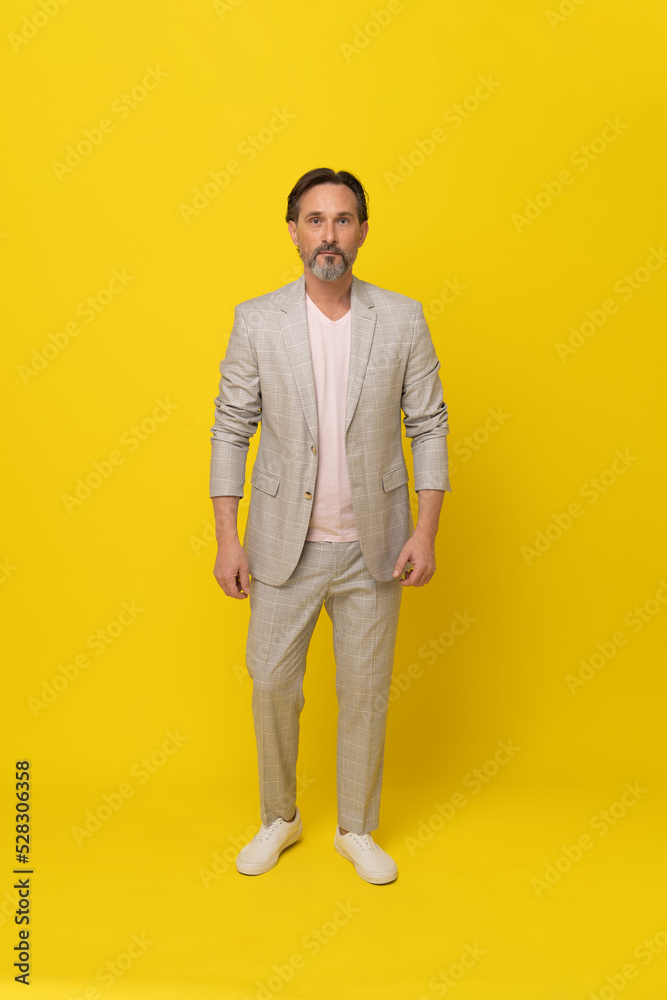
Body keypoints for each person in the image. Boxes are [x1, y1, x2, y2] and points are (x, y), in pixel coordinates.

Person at [209, 167, 451, 884]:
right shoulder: (258, 320)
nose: (328, 236)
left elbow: (429, 425)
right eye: (314, 221)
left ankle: (356, 827)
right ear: (293, 232)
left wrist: (425, 529)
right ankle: (280, 817)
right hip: (284, 545)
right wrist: (228, 537)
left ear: (362, 231)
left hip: (375, 545)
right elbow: (231, 428)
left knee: (366, 692)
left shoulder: (402, 318)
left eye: (342, 221)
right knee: (271, 683)